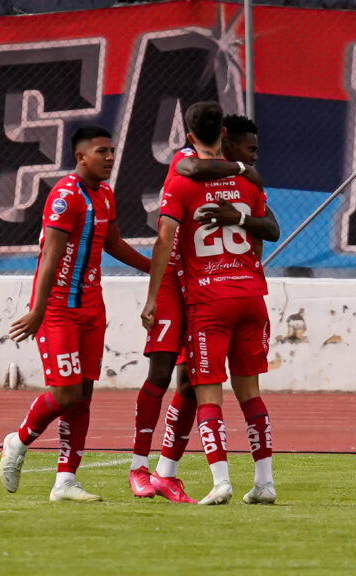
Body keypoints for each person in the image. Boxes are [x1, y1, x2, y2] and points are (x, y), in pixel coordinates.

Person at [129, 115, 280, 503]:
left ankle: (217, 481)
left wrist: (150, 295)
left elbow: (165, 238)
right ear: (225, 138)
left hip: (206, 296)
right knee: (244, 392)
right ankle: (262, 482)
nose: (254, 156)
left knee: (202, 389)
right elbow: (267, 231)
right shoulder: (245, 180)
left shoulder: (184, 181)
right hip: (248, 293)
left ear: (191, 135)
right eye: (250, 150)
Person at [0, 125, 150, 502]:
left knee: (83, 396)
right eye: (102, 152)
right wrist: (37, 311)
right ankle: (18, 441)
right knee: (65, 394)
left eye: (112, 150)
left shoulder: (105, 195)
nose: (110, 157)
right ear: (80, 157)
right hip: (58, 310)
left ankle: (65, 481)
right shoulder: (65, 196)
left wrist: (154, 267)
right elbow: (50, 257)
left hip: (92, 308)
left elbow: (113, 243)